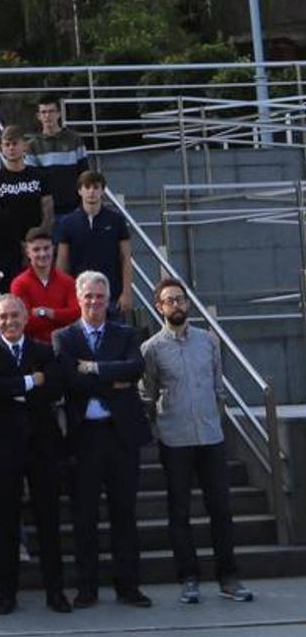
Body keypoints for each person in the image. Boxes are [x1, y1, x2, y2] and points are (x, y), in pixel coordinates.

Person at [139, 278, 254, 604]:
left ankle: (228, 577)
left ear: (187, 303)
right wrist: (159, 423)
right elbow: (146, 392)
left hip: (210, 436)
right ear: (159, 307)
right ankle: (188, 577)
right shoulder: (151, 349)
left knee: (221, 508)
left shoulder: (207, 341)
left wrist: (214, 416)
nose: (176, 305)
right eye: (169, 301)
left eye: (180, 299)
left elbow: (218, 386)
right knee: (179, 512)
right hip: (175, 438)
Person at [53, 270, 152, 609]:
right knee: (84, 516)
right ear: (78, 299)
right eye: (88, 297)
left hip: (120, 435)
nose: (94, 302)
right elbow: (70, 380)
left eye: (100, 297)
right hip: (85, 437)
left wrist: (94, 369)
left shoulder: (125, 333)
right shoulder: (64, 338)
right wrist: (113, 377)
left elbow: (135, 368)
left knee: (124, 511)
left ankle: (129, 586)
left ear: (109, 300)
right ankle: (87, 587)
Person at [0, 294, 70, 615]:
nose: (10, 322)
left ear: (26, 318)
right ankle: (7, 594)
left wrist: (13, 388)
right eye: (3, 317)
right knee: (5, 524)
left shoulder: (43, 351)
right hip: (4, 449)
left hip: (42, 447)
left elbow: (56, 387)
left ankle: (55, 593)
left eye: (15, 316)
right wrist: (31, 381)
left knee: (49, 521)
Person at [56, 170, 133, 318]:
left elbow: (126, 258)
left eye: (96, 187)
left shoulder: (116, 220)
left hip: (112, 295)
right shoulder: (68, 222)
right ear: (80, 191)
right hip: (79, 295)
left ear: (102, 191)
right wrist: (62, 295)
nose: (91, 191)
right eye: (87, 187)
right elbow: (62, 263)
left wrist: (127, 292)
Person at [10, 227, 79, 343]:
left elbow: (77, 315)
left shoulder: (68, 282)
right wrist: (61, 317)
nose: (42, 254)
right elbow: (23, 323)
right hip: (33, 348)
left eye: (46, 248)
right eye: (36, 250)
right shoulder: (19, 284)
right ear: (28, 252)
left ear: (53, 249)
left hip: (66, 346)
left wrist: (48, 313)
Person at [27, 95, 89, 214]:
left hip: (73, 207)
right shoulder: (33, 146)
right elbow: (32, 179)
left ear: (59, 114)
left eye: (51, 111)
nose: (47, 116)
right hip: (46, 210)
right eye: (43, 112)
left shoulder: (74, 140)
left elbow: (84, 173)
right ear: (38, 116)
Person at [0, 125, 54, 246]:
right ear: (1, 148)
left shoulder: (39, 176)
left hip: (37, 243)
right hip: (8, 243)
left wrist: (40, 236)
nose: (11, 148)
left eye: (15, 144)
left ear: (24, 146)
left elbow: (48, 210)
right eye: (7, 144)